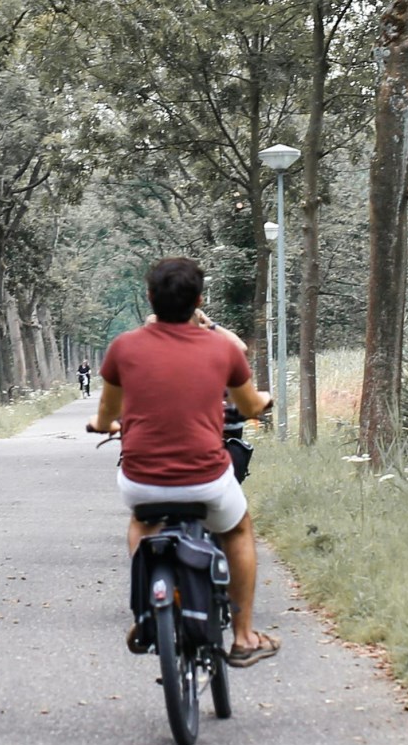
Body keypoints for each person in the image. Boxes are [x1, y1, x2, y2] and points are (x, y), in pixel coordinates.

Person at [92, 256, 278, 665]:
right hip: (206, 478)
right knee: (238, 530)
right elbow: (248, 407)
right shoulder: (222, 348)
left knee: (142, 522)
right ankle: (244, 636)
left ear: (149, 298)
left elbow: (108, 415)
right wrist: (262, 400)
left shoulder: (123, 348)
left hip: (141, 479)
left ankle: (146, 612)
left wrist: (100, 424)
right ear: (198, 300)